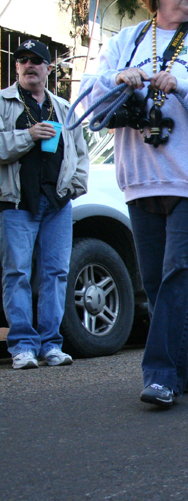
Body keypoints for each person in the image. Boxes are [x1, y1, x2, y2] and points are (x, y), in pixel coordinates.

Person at [80, 0, 188, 405]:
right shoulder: (127, 40)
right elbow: (89, 100)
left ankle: (159, 374)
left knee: (176, 272)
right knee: (154, 280)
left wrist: (183, 84)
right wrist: (119, 79)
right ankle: (183, 370)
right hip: (140, 179)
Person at [0, 40, 89, 370]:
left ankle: (51, 344)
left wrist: (75, 187)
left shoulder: (63, 107)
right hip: (17, 204)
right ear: (17, 67)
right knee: (17, 274)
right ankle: (22, 346)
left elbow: (81, 152)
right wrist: (27, 136)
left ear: (48, 68)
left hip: (57, 205)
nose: (28, 66)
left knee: (56, 274)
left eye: (35, 61)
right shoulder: (4, 102)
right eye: (22, 60)